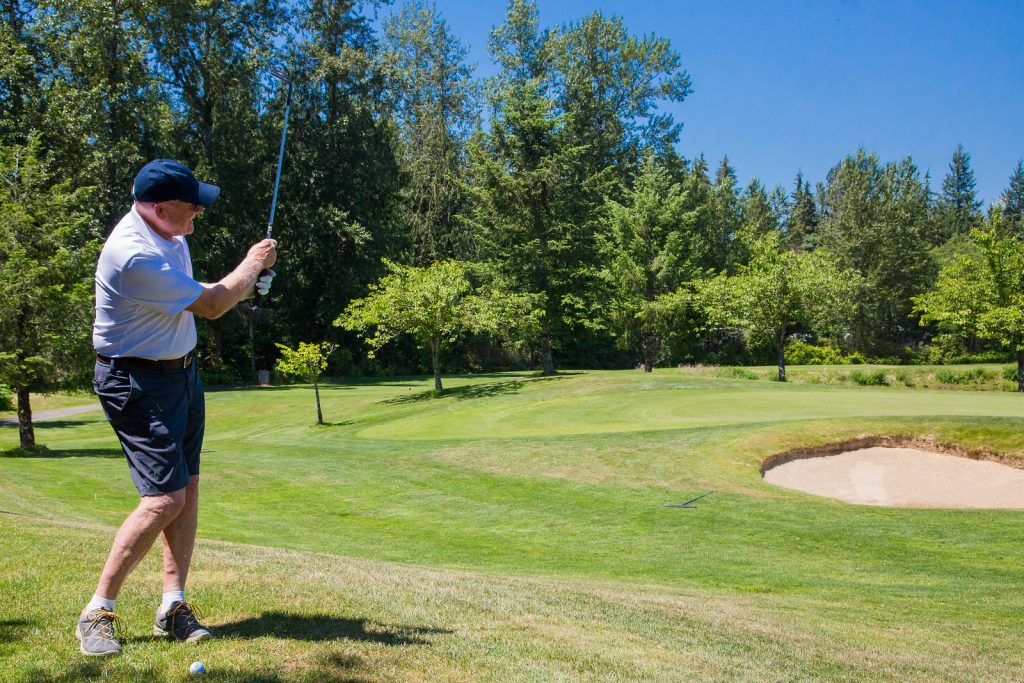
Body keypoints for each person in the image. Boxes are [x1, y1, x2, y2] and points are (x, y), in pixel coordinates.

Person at [77, 159, 277, 657]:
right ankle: (96, 611)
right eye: (192, 208)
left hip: (181, 374)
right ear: (159, 207)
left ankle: (173, 604)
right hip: (135, 380)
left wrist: (246, 289)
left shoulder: (171, 234)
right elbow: (210, 304)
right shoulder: (132, 254)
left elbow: (199, 297)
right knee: (163, 498)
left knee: (185, 488)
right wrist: (253, 265)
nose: (198, 217)